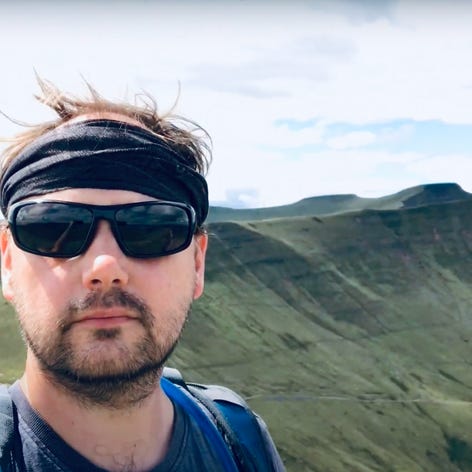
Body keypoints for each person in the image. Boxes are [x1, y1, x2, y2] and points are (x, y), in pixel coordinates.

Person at [0, 79, 285, 472]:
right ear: (8, 264)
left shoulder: (239, 439)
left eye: (151, 228)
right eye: (53, 228)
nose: (105, 267)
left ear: (198, 265)